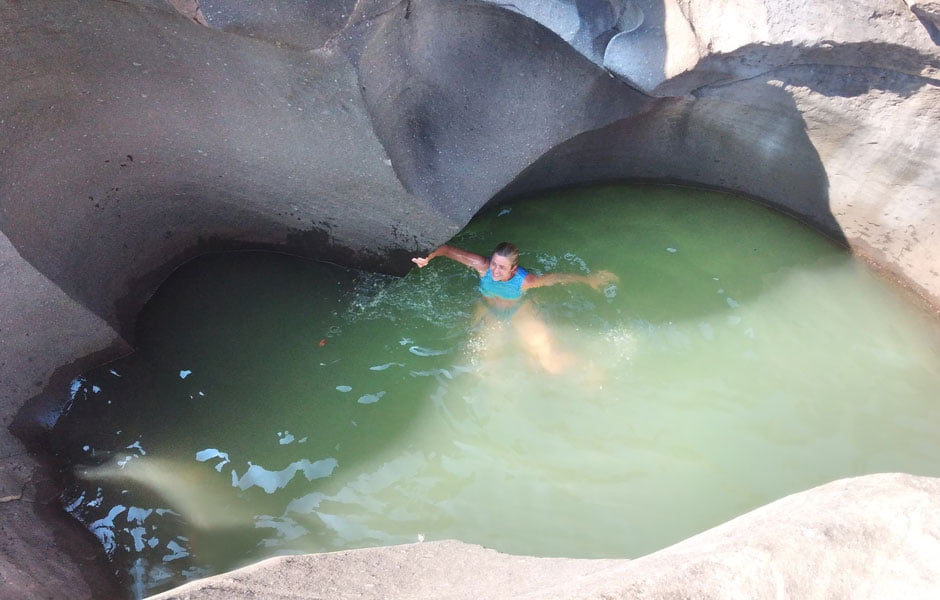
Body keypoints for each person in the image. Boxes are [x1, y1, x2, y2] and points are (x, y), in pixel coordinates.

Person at [411, 242, 618, 374]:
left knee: (548, 361)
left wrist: (588, 279)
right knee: (484, 362)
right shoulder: (482, 267)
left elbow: (556, 278)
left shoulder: (525, 281)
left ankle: (591, 369)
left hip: (520, 312)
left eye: (501, 267)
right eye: (494, 264)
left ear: (513, 269)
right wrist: (428, 257)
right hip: (488, 308)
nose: (495, 271)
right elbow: (447, 249)